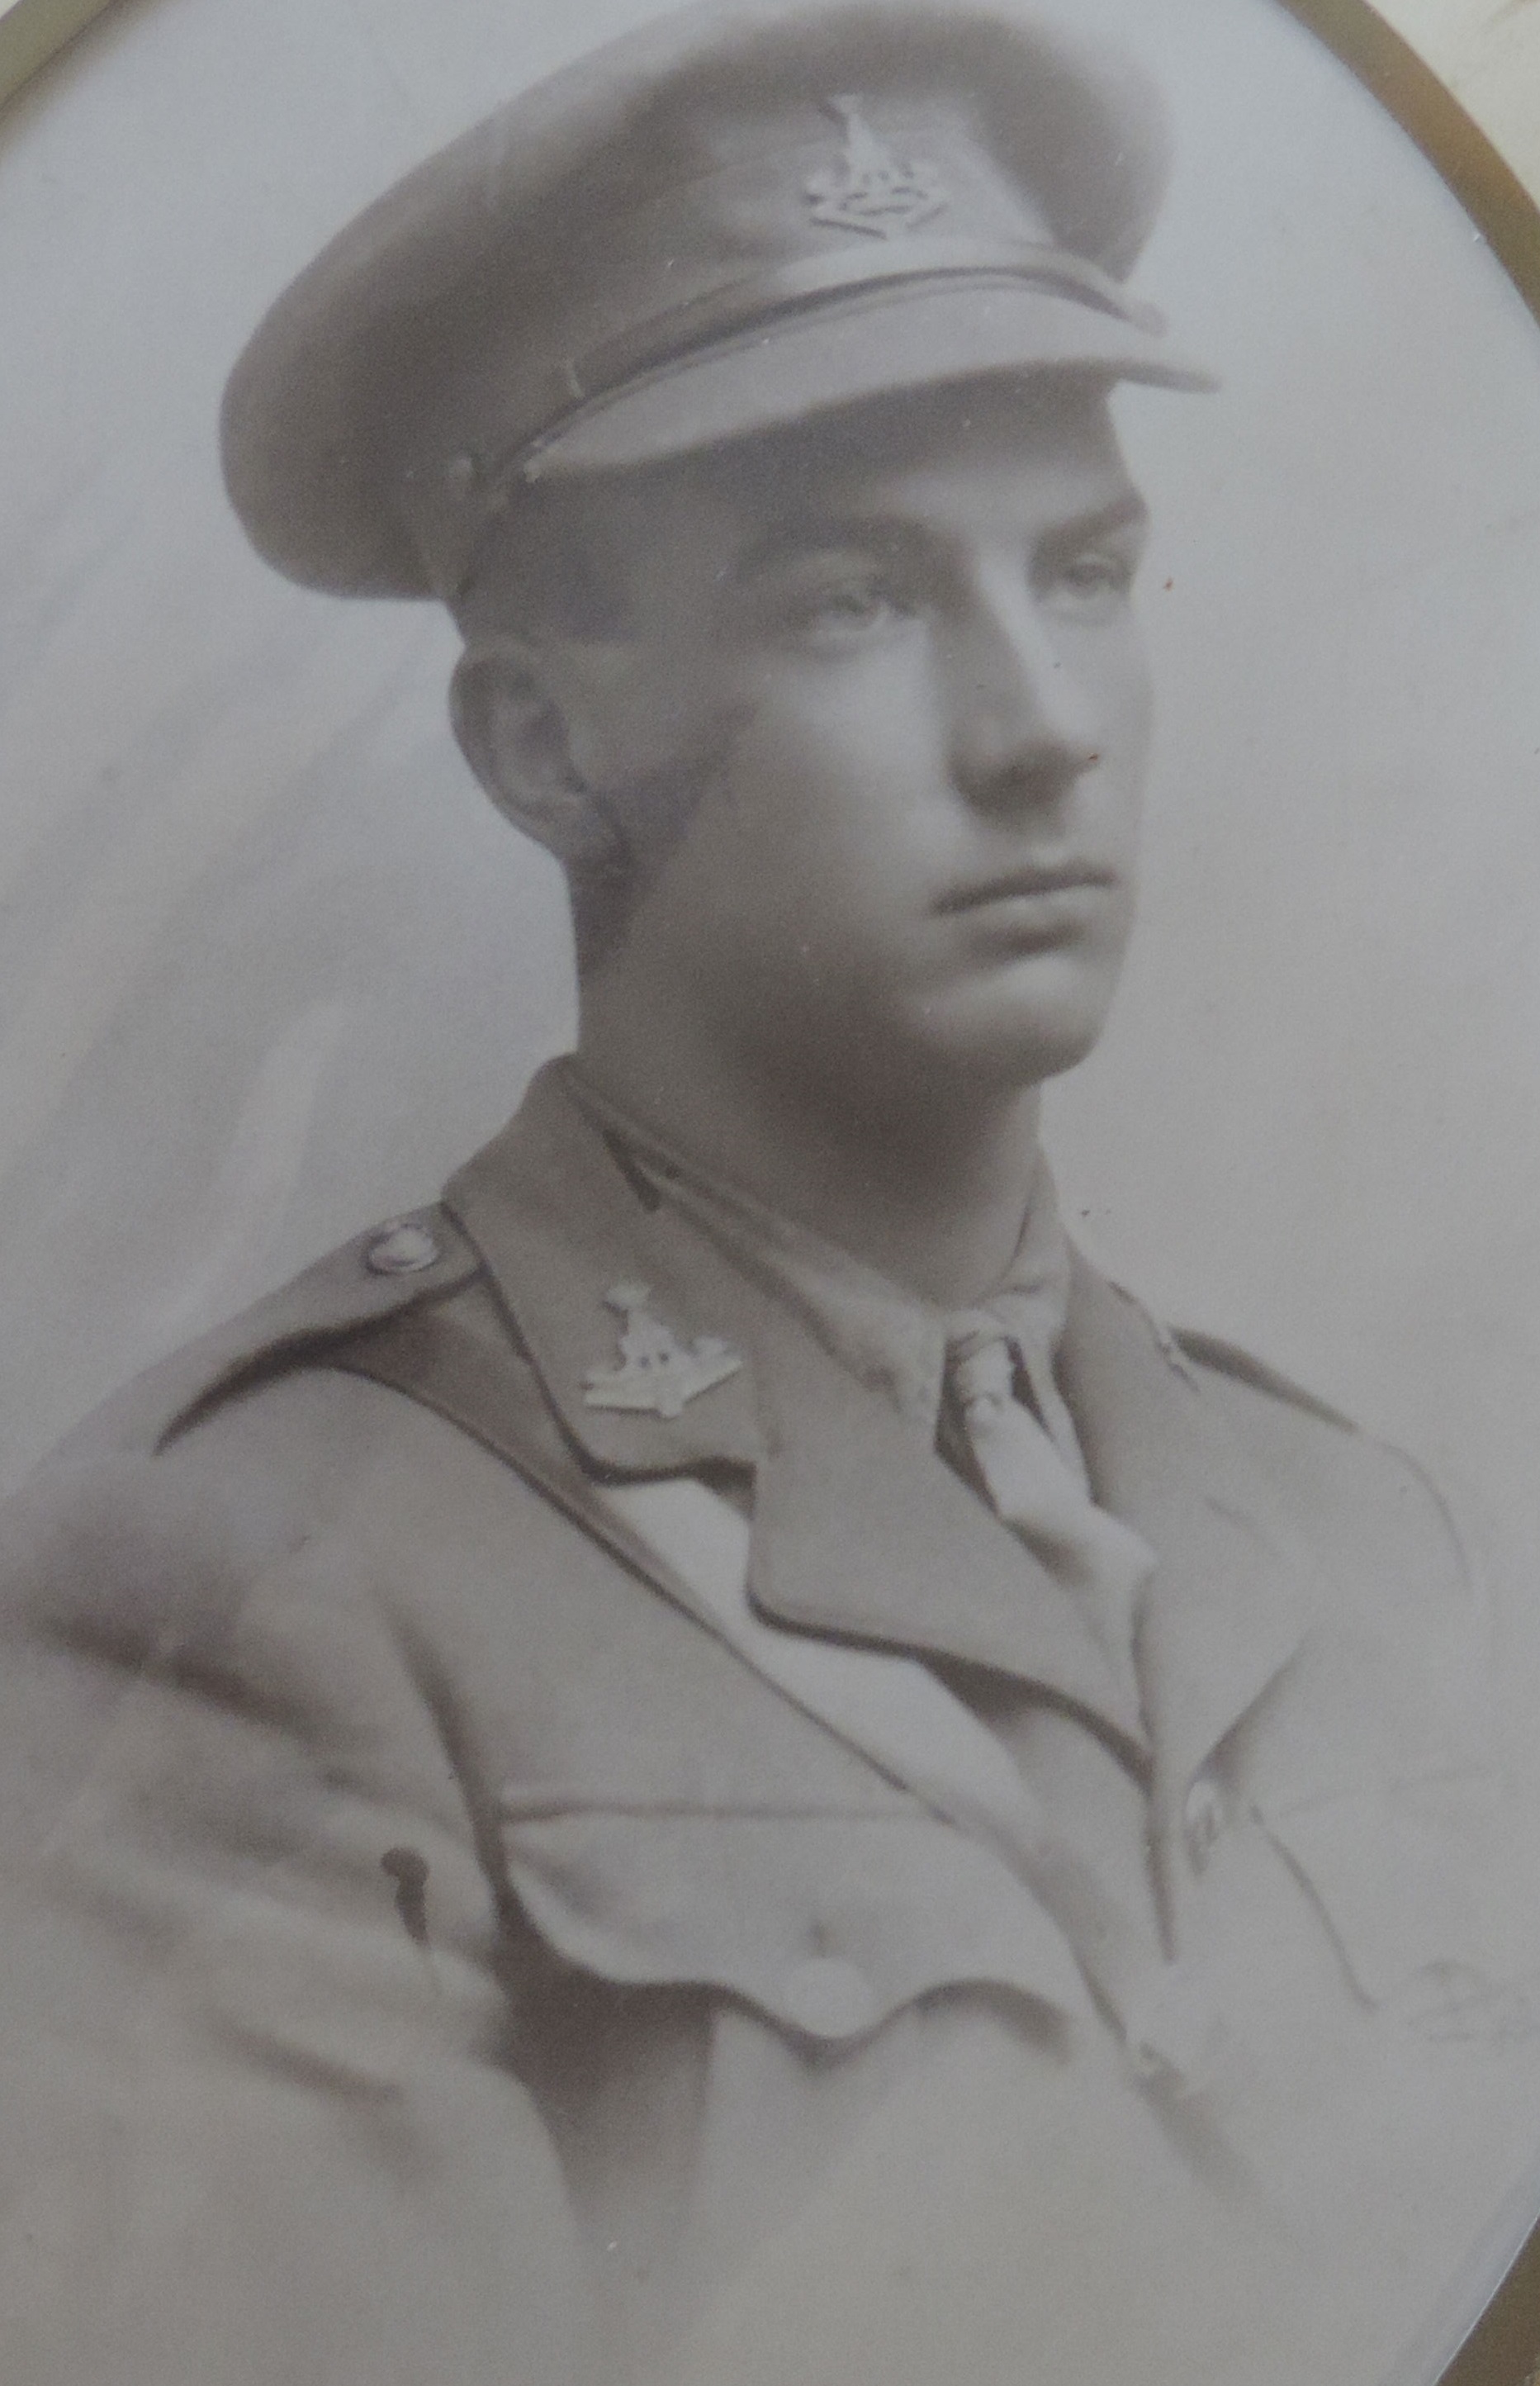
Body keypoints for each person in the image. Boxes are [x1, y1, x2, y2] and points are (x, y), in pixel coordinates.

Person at [2, 5, 1539, 2382]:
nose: (1039, 723)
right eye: (854, 600)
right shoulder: (253, 1587)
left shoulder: (1350, 1534)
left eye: (1088, 568)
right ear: (539, 744)